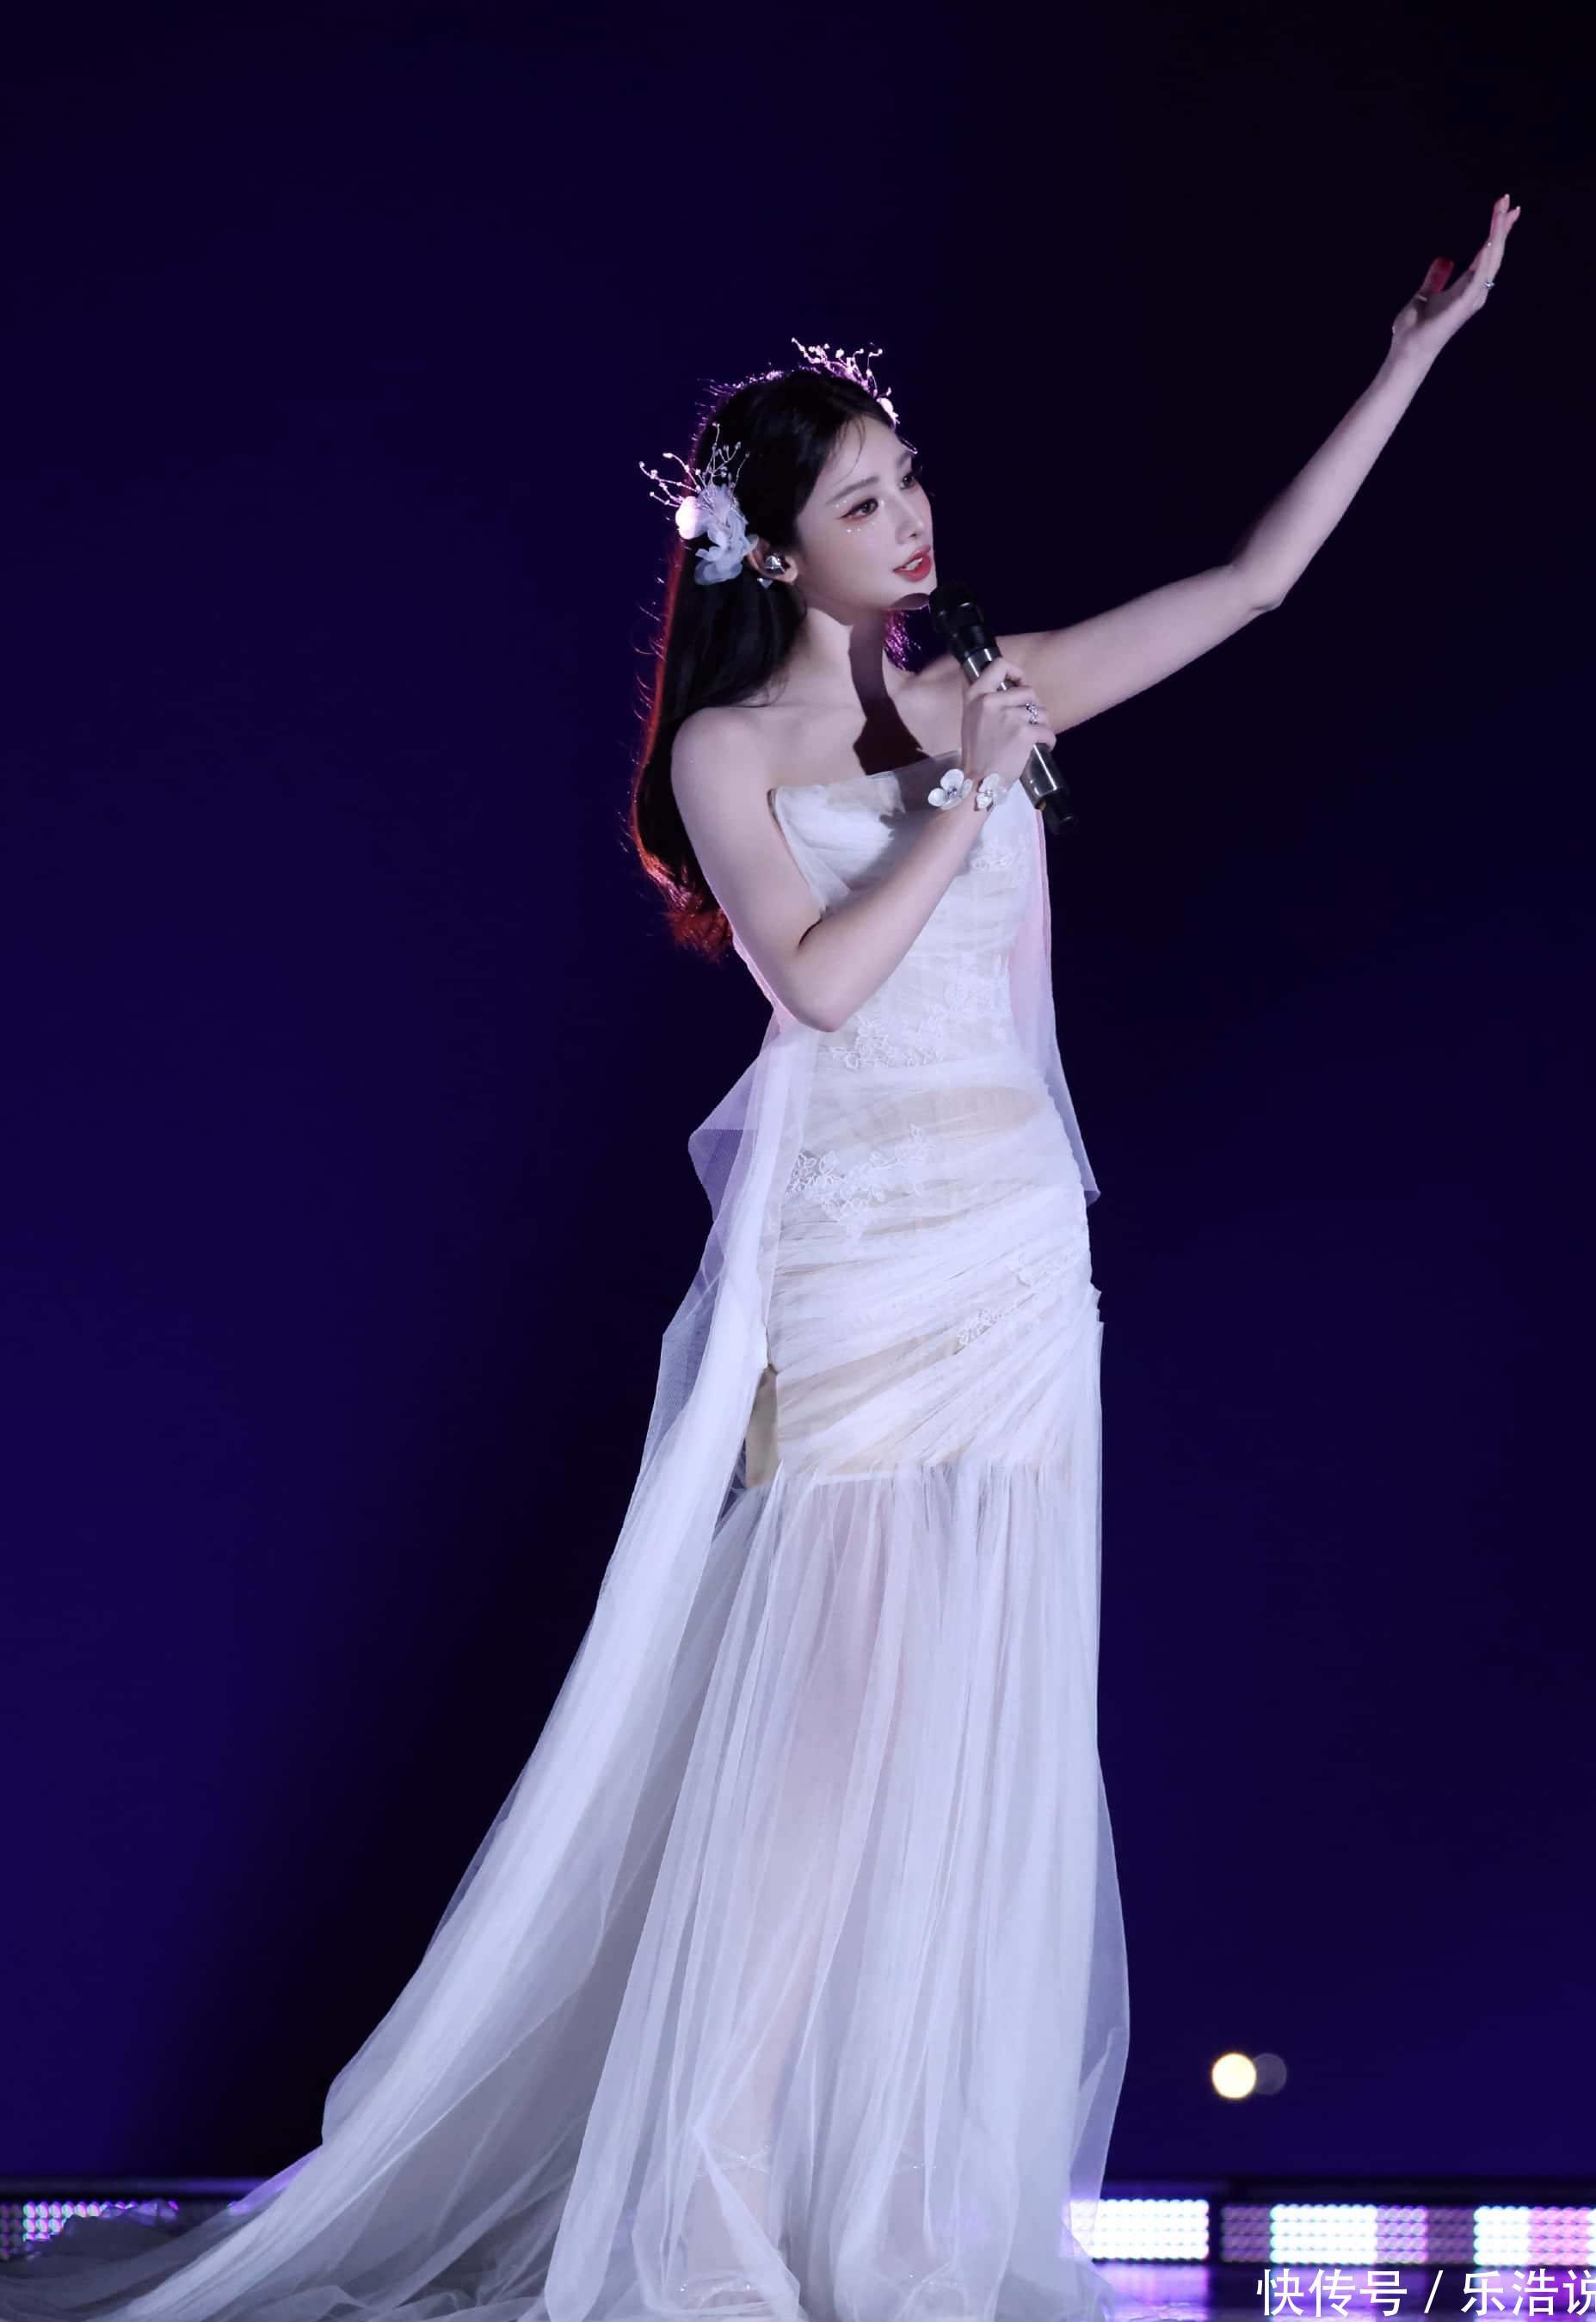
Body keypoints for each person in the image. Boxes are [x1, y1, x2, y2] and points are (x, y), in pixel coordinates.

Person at [0, 211, 1519, 2322]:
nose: (911, 520)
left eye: (909, 481)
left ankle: (886, 2205)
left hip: (1015, 1257)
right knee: (816, 1757)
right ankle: (697, 2211)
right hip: (863, 1267)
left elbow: (1253, 585)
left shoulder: (978, 690)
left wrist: (1410, 356)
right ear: (777, 551)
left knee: (958, 1746)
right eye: (865, 500)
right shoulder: (740, 753)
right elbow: (811, 983)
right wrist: (960, 799)